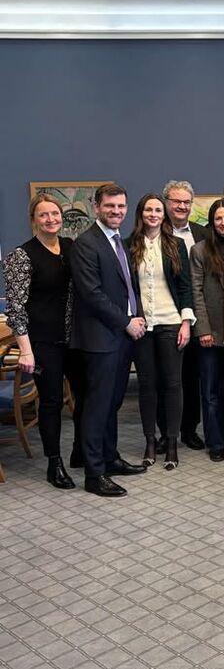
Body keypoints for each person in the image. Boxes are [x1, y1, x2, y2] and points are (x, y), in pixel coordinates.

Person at [69, 184, 146, 497]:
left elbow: (126, 287)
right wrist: (126, 321)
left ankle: (110, 458)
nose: (116, 211)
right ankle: (94, 473)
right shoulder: (86, 244)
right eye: (110, 206)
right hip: (100, 339)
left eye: (121, 206)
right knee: (96, 407)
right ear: (96, 207)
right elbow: (92, 295)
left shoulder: (118, 241)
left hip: (121, 338)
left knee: (112, 403)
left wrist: (135, 318)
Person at [3, 194, 79, 489]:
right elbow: (16, 309)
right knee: (51, 401)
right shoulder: (21, 256)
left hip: (74, 338)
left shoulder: (70, 247)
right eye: (44, 215)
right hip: (42, 342)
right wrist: (25, 350)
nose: (51, 219)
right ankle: (54, 462)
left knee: (84, 394)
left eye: (55, 214)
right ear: (33, 220)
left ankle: (80, 451)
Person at [128, 194, 195, 471]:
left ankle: (172, 442)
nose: (153, 214)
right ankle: (149, 441)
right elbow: (126, 288)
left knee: (173, 384)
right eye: (148, 209)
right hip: (142, 326)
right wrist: (130, 318)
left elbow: (185, 286)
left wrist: (186, 323)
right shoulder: (129, 245)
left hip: (171, 322)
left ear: (163, 214)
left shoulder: (175, 245)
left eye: (158, 210)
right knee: (147, 384)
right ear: (141, 213)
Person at [190, 198, 224, 461]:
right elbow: (196, 292)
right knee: (210, 392)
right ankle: (216, 442)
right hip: (210, 332)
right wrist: (203, 329)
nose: (223, 223)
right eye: (218, 218)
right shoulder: (199, 250)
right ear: (211, 222)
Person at [162, 180, 206, 451]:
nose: (181, 206)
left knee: (191, 377)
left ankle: (189, 429)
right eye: (176, 201)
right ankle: (166, 432)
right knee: (166, 378)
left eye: (186, 202)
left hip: (197, 317)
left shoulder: (202, 233)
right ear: (166, 203)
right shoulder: (155, 231)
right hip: (167, 317)